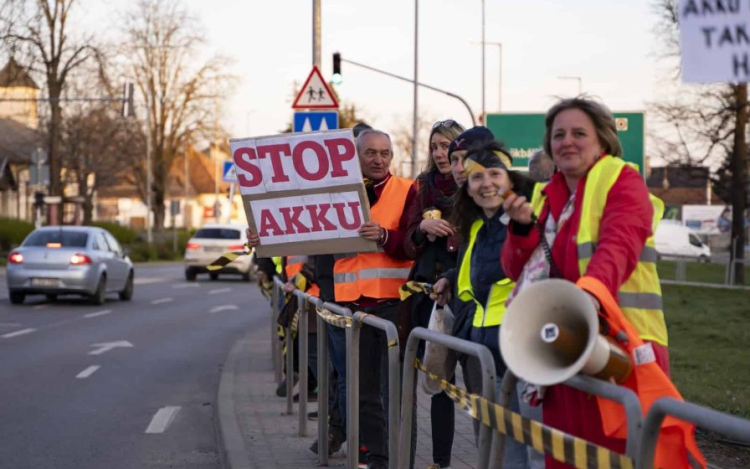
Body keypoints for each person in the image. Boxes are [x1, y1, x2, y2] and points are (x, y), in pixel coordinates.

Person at [500, 97, 680, 468]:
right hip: (565, 351)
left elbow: (619, 248)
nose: (567, 142)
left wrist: (584, 304)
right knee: (565, 459)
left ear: (603, 141)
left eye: (579, 133)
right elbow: (516, 270)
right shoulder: (547, 196)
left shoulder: (622, 180)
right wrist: (520, 229)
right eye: (559, 134)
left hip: (620, 353)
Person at [248, 128, 415, 469]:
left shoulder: (408, 190)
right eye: (370, 152)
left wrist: (385, 236)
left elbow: (414, 243)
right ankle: (378, 459)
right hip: (349, 306)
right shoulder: (334, 194)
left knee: (394, 392)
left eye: (385, 152)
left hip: (394, 307)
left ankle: (401, 457)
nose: (378, 159)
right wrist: (263, 238)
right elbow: (298, 232)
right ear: (355, 157)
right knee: (362, 392)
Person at [430, 142, 533, 468]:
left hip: (522, 348)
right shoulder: (475, 226)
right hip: (483, 349)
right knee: (498, 447)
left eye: (494, 174)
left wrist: (526, 227)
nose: (485, 183)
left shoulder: (527, 218)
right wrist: (449, 276)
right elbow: (474, 274)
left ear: (511, 180)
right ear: (468, 190)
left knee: (527, 447)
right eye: (477, 177)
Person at [403, 119, 465, 469]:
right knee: (415, 372)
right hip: (423, 288)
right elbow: (407, 240)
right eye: (436, 146)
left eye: (448, 146)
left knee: (447, 380)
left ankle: (441, 460)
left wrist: (458, 236)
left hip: (457, 291)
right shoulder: (422, 186)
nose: (441, 154)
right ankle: (406, 454)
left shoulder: (471, 184)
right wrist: (423, 228)